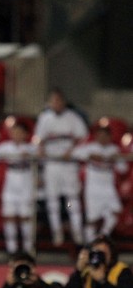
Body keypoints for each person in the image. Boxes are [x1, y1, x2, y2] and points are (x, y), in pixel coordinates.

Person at [34, 88, 88, 246]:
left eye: (58, 101)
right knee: (52, 200)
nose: (56, 104)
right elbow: (39, 141)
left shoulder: (73, 118)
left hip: (68, 164)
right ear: (49, 103)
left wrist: (71, 151)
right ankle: (57, 233)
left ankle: (77, 233)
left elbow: (82, 138)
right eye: (53, 101)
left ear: (63, 102)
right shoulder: (45, 118)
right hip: (52, 164)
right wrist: (41, 155)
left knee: (71, 199)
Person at [72, 125, 128, 243]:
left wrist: (117, 159)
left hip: (108, 187)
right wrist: (89, 156)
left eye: (105, 135)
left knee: (115, 212)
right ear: (96, 136)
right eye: (100, 135)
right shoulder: (90, 148)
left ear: (110, 137)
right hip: (93, 188)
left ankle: (102, 236)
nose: (102, 138)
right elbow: (74, 154)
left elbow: (123, 169)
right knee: (92, 219)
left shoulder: (114, 149)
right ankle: (89, 244)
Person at [0, 121, 38, 255]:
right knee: (9, 216)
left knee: (25, 216)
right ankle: (11, 249)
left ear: (25, 134)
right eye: (14, 132)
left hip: (26, 180)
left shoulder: (31, 148)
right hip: (11, 180)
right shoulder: (5, 147)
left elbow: (41, 156)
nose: (16, 135)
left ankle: (28, 249)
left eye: (19, 132)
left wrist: (30, 157)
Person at [65, 235, 133, 288]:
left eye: (103, 254)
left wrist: (102, 281)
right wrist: (78, 270)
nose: (99, 257)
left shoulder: (123, 271)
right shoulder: (88, 271)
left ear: (112, 255)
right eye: (95, 253)